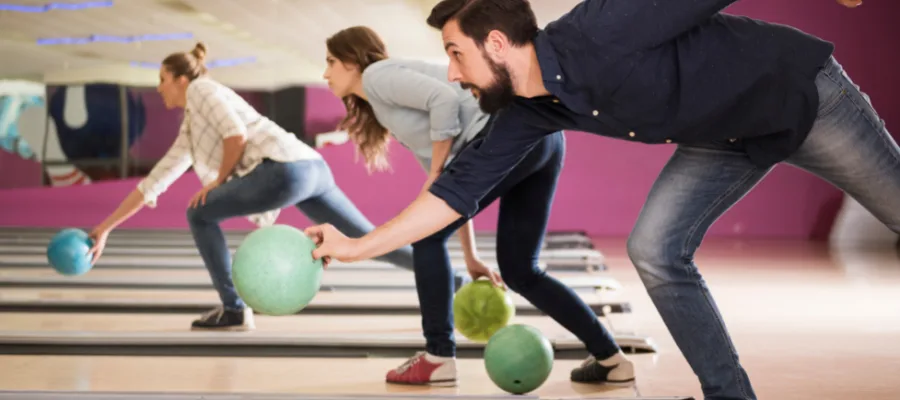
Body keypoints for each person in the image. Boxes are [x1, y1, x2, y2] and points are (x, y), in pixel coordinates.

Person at [306, 0, 899, 399]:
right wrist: (357, 247)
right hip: (724, 138)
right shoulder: (528, 109)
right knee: (655, 248)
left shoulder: (599, 28)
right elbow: (452, 193)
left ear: (495, 43)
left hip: (807, 99)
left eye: (456, 55)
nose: (452, 75)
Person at [321, 25, 633, 387]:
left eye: (331, 62)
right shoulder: (383, 102)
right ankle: (612, 360)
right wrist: (470, 257)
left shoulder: (376, 76)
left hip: (505, 134)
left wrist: (438, 171)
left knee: (426, 239)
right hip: (538, 136)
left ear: (353, 61)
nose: (325, 73)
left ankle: (438, 356)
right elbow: (448, 198)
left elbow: (444, 102)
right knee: (520, 271)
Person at [86, 42, 416, 332]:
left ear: (182, 80)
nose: (159, 88)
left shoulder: (202, 90)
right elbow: (156, 180)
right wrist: (105, 228)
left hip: (284, 169)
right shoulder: (192, 124)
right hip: (312, 168)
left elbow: (236, 136)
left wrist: (217, 182)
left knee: (199, 213)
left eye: (162, 79)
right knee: (370, 239)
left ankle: (233, 309)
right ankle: (453, 278)